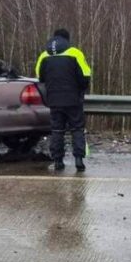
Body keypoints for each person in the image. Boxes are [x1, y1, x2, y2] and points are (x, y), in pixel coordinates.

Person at [35, 28, 92, 172]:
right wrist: (81, 89)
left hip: (54, 99)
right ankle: (79, 160)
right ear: (67, 39)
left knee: (57, 130)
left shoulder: (44, 55)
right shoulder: (75, 53)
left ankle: (58, 160)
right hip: (73, 99)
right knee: (77, 128)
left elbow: (40, 77)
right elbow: (86, 75)